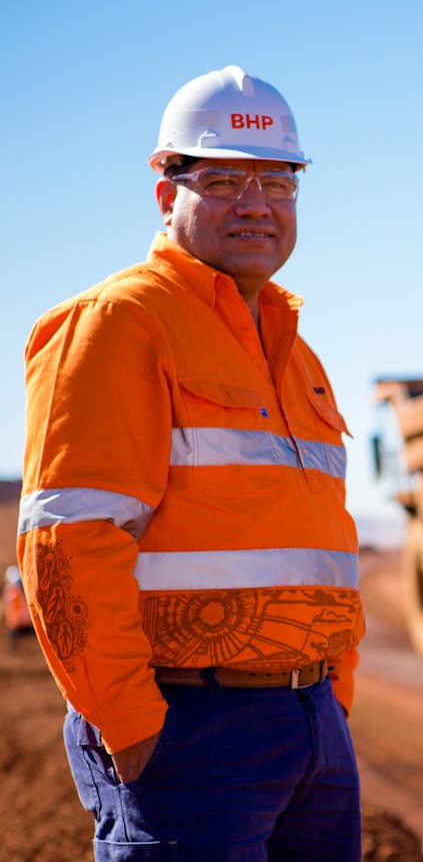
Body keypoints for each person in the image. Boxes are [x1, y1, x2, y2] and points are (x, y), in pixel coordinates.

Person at [17, 65, 365, 861]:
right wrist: (131, 723)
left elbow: (320, 538)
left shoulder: (295, 351)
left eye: (278, 182)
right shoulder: (118, 325)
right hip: (189, 729)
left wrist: (331, 697)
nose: (255, 204)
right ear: (165, 192)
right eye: (221, 179)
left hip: (310, 723)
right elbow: (68, 541)